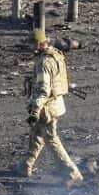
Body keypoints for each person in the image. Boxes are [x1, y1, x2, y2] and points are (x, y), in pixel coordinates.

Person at [22, 28, 83, 185]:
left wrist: (35, 111)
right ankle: (24, 166)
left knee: (51, 139)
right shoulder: (55, 53)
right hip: (55, 103)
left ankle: (71, 172)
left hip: (46, 107)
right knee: (36, 134)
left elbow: (43, 90)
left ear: (38, 43)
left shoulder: (44, 63)